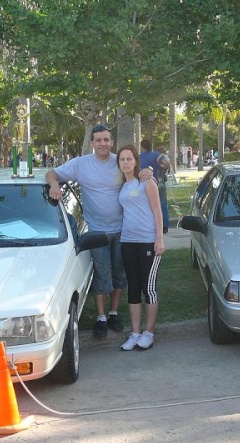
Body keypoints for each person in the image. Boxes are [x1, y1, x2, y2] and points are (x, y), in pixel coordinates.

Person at [46, 125, 154, 339]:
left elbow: (140, 171)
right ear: (92, 143)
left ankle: (114, 313)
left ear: (111, 141)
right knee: (102, 273)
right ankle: (101, 317)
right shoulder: (80, 165)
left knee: (119, 274)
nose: (103, 143)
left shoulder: (119, 162)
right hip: (97, 232)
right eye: (98, 140)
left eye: (106, 139)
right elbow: (52, 173)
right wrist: (53, 185)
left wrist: (149, 170)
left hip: (124, 230)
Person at [117, 145, 165, 351]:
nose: (125, 162)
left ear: (136, 161)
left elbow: (157, 210)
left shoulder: (146, 181)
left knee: (149, 288)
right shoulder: (122, 186)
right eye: (122, 160)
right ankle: (135, 333)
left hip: (148, 242)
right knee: (134, 289)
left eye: (129, 159)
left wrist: (159, 239)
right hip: (128, 242)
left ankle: (149, 332)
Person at [139, 139, 170, 233]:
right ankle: (164, 225)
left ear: (142, 146)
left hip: (146, 183)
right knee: (163, 204)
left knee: (149, 205)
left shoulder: (139, 157)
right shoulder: (157, 155)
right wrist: (161, 171)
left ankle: (152, 225)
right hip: (159, 182)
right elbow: (167, 163)